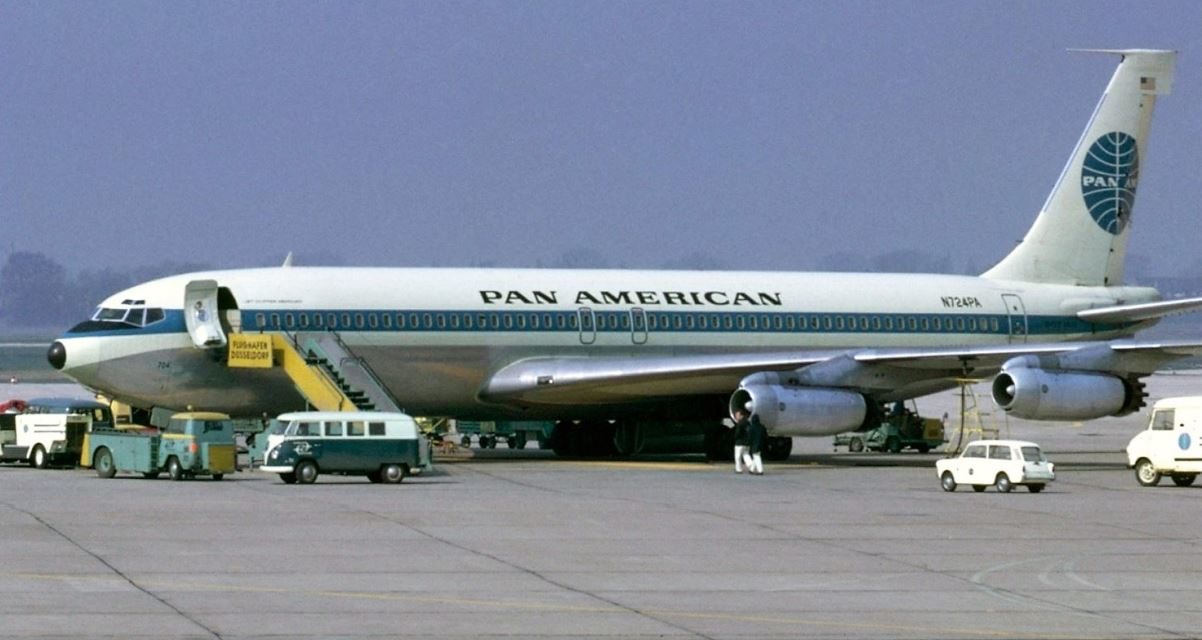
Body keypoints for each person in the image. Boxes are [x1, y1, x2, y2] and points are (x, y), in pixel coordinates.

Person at [732, 409, 750, 473]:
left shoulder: (740, 423)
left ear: (741, 415)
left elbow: (737, 433)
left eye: (737, 415)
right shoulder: (748, 423)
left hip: (739, 443)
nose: (736, 416)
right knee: (746, 455)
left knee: (737, 456)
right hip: (747, 443)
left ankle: (738, 469)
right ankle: (751, 466)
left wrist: (735, 438)